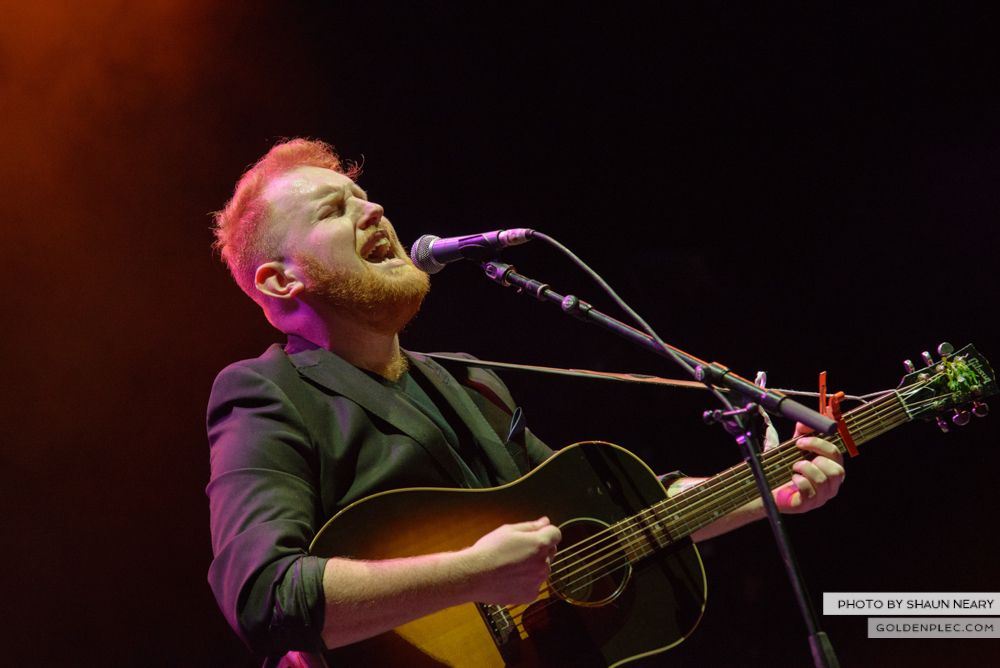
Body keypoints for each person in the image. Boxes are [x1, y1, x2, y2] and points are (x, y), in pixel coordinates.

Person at [206, 138, 845, 666]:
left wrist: (763, 492)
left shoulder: (474, 384)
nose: (373, 212)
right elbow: (265, 596)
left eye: (365, 198)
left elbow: (600, 523)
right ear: (280, 279)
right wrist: (469, 573)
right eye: (333, 210)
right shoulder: (265, 392)